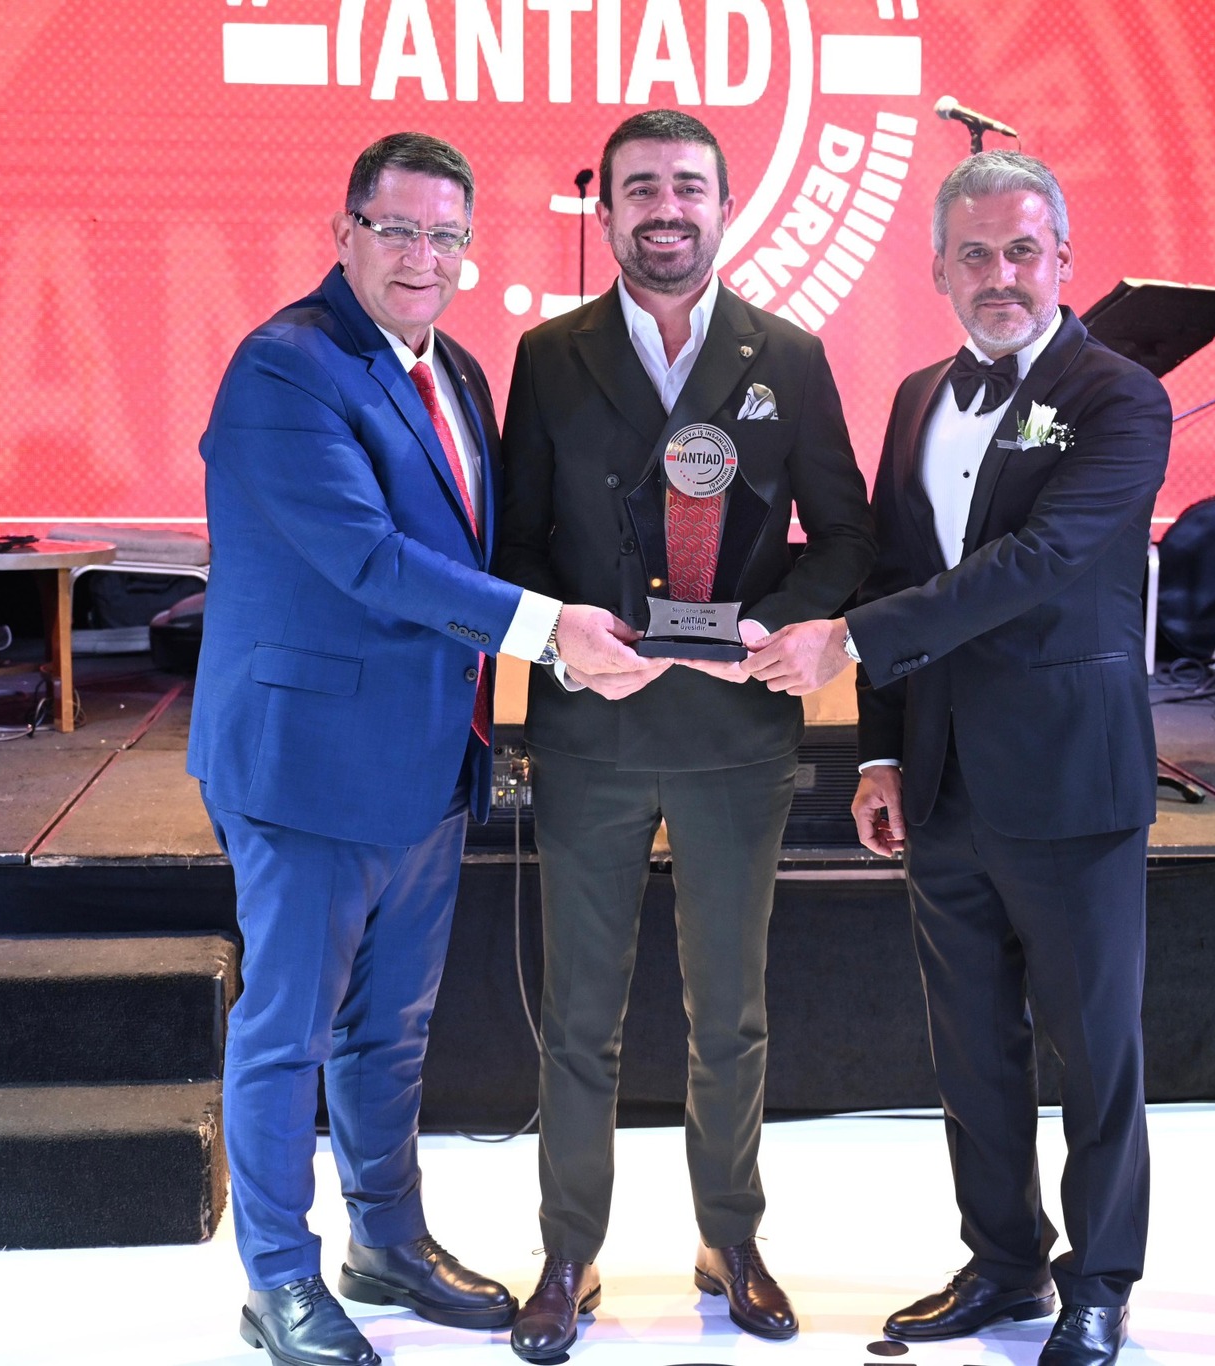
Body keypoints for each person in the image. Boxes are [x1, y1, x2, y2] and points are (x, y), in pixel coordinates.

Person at [191, 131, 648, 1366]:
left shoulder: (456, 371)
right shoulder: (285, 366)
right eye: (396, 229)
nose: (422, 256)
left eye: (447, 236)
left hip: (428, 759)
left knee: (389, 1030)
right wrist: (550, 630)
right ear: (343, 232)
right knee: (287, 1032)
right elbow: (368, 558)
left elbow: (468, 553)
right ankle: (278, 1277)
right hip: (305, 765)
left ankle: (385, 1240)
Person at [747, 151, 1172, 1366]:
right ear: (936, 268)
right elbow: (896, 566)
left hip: (1069, 776)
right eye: (974, 255)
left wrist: (846, 641)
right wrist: (878, 754)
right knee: (971, 1046)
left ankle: (1099, 1281)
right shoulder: (917, 395)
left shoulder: (1119, 396)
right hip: (937, 780)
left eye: (1021, 251)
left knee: (1094, 1052)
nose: (1000, 276)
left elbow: (1035, 563)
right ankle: (1001, 1262)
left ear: (1062, 259)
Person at [495, 109, 875, 1362]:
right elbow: (515, 545)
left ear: (723, 204)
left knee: (731, 1010)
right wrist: (564, 639)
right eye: (641, 187)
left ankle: (730, 1240)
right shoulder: (548, 356)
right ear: (604, 207)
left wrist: (785, 620)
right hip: (592, 727)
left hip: (733, 727)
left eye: (688, 187)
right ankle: (568, 1252)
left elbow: (848, 535)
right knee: (578, 1012)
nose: (666, 209)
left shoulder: (790, 355)